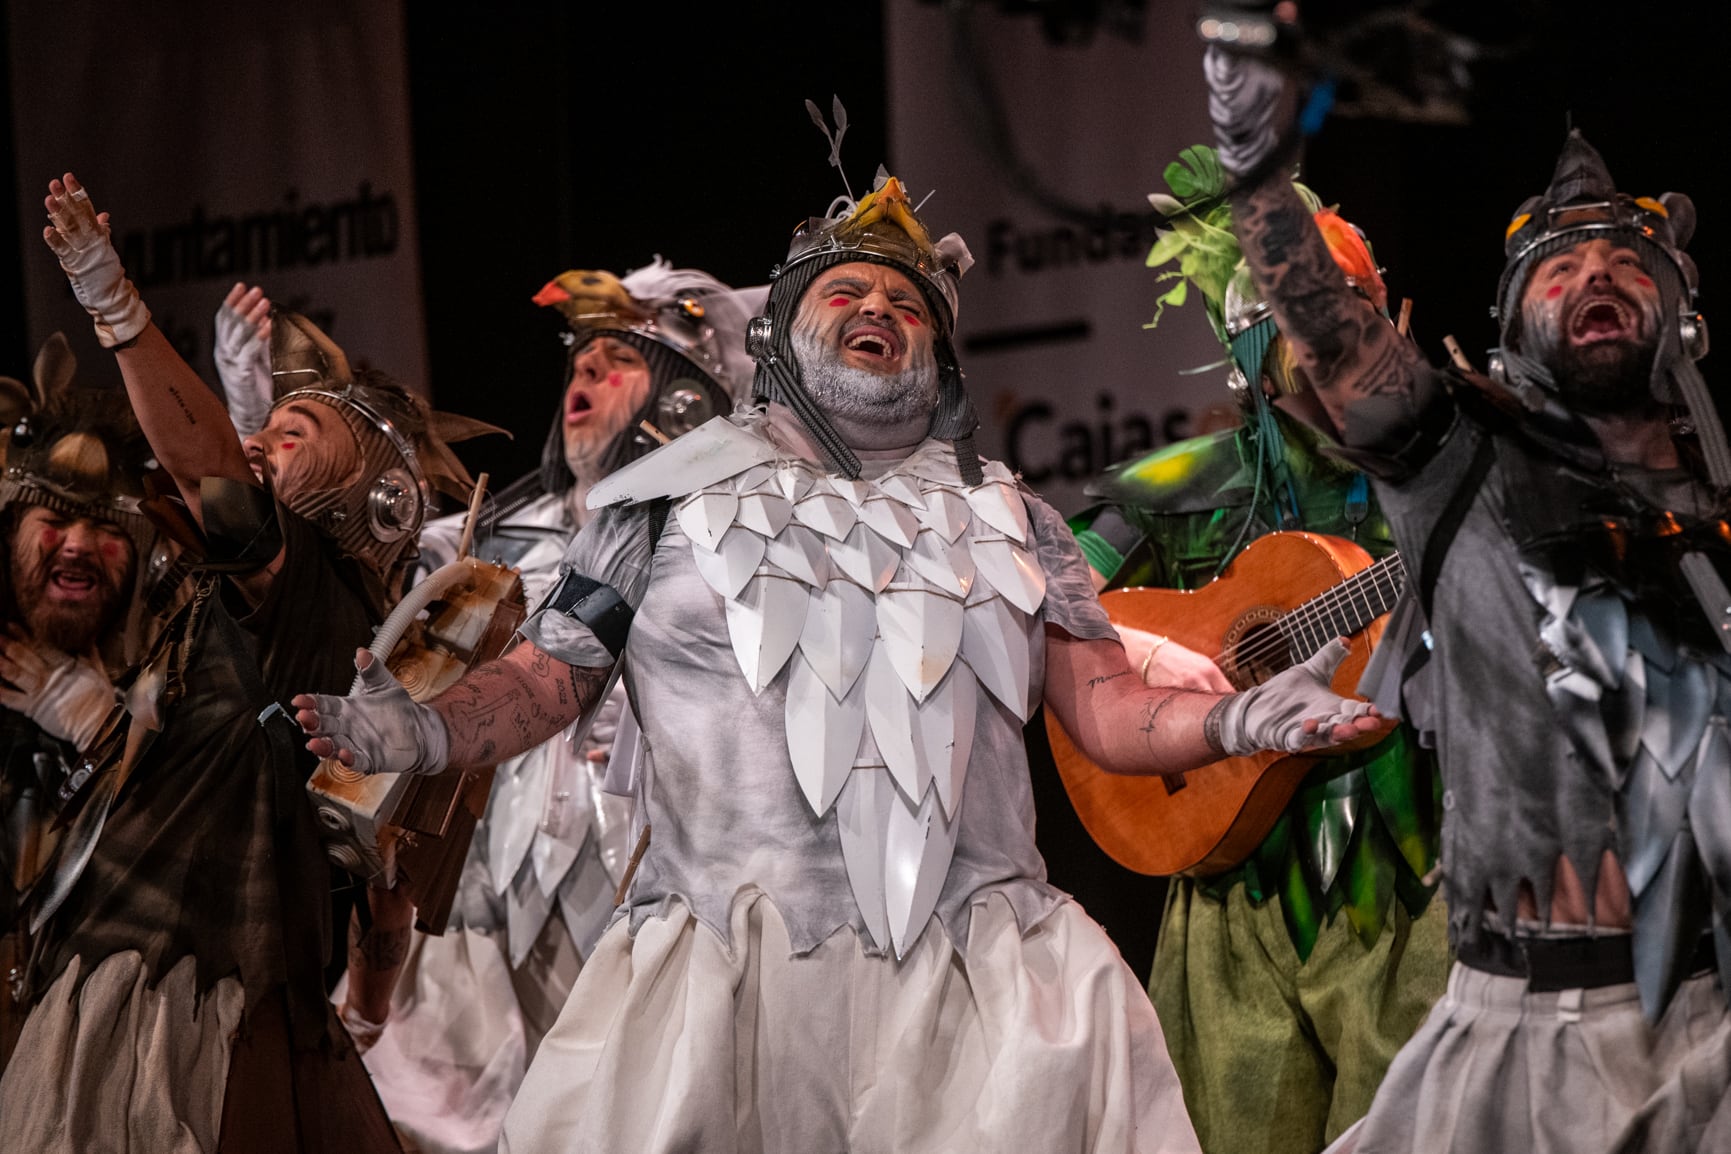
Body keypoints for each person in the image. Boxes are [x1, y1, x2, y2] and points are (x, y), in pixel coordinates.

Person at [296, 169, 1387, 1153]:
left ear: (940, 352)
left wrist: (1237, 722)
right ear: (778, 333)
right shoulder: (658, 499)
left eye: (909, 305)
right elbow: (548, 677)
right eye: (848, 294)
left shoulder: (1013, 515)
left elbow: (1108, 713)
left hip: (982, 994)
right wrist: (427, 728)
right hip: (735, 986)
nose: (881, 311)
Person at [1202, 30, 1731, 1151]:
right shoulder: (1457, 460)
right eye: (1560, 265)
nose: (1596, 275)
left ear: (1683, 310)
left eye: (1630, 261)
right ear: (1511, 320)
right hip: (1538, 1044)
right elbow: (1334, 332)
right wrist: (1255, 163)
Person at [0, 172, 494, 1154]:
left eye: (292, 435)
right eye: (263, 425)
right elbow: (385, 908)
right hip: (159, 980)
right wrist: (359, 1016)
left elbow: (210, 470)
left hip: (185, 1012)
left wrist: (113, 299)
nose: (260, 438)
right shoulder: (234, 604)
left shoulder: (318, 588)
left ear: (375, 504)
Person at [1068, 146, 1448, 1153]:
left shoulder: (1456, 476)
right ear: (1251, 348)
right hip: (1230, 865)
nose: (1335, 346)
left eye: (1354, 314)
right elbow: (1033, 609)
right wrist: (1166, 667)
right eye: (1303, 323)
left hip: (1412, 863)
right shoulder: (1177, 481)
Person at [343, 260, 763, 1154]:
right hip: (512, 863)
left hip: (675, 843)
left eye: (616, 363)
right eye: (577, 365)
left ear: (686, 396)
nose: (584, 378)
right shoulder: (482, 540)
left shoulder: (736, 530)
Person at [0, 333, 159, 1070]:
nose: (78, 545)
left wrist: (98, 724)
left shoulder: (161, 690)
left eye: (105, 529)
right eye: (55, 521)